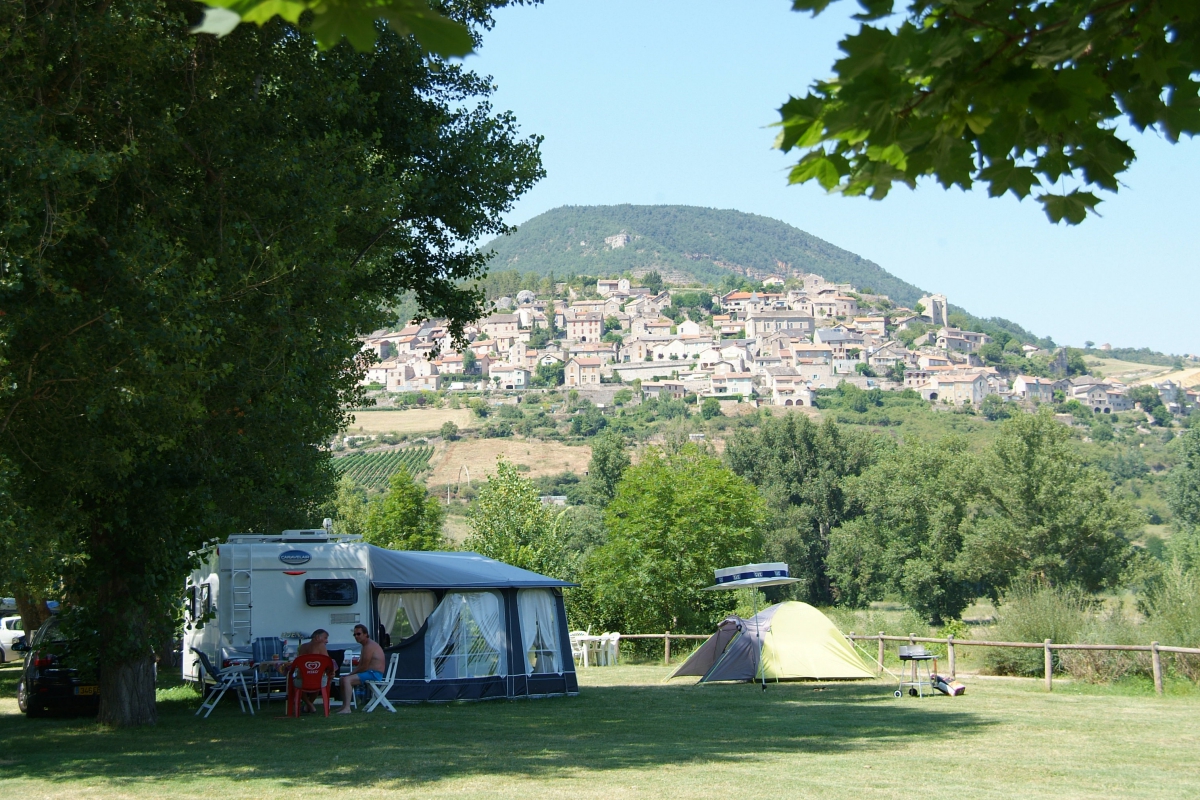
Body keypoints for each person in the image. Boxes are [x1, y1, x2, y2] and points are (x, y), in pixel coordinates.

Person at [337, 624, 384, 714]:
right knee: (342, 679)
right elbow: (361, 665)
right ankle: (344, 706)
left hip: (374, 674)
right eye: (355, 635)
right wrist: (350, 674)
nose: (356, 636)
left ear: (366, 634)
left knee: (347, 680)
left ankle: (347, 708)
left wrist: (350, 674)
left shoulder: (369, 646)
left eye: (358, 634)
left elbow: (364, 667)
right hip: (369, 672)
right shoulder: (365, 646)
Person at [296, 629, 331, 713]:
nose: (327, 641)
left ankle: (308, 705)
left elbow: (298, 663)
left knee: (295, 684)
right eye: (325, 638)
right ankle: (310, 705)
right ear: (317, 637)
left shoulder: (303, 647)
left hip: (302, 681)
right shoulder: (321, 646)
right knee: (320, 679)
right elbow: (328, 663)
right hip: (318, 681)